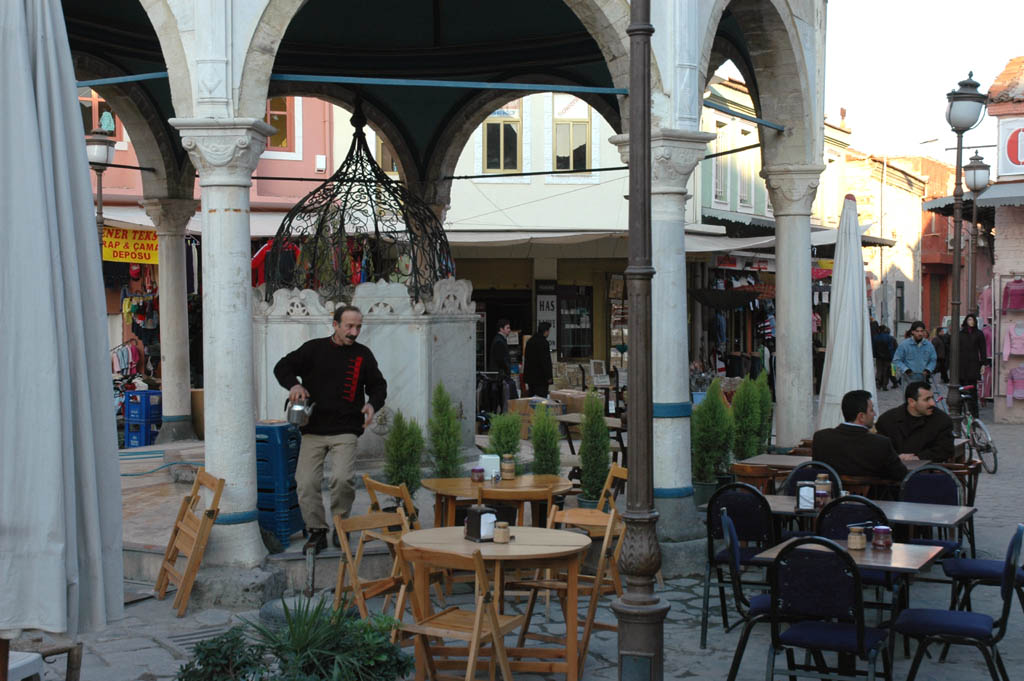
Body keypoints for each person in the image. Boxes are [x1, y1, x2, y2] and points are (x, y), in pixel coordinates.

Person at [274, 305, 387, 554]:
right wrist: (293, 385)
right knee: (305, 482)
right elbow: (282, 367)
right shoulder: (314, 349)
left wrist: (371, 404)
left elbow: (379, 386)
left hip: (346, 428)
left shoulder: (363, 355)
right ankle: (317, 531)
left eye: (358, 326)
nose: (354, 331)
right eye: (349, 326)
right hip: (313, 428)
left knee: (342, 479)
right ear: (334, 325)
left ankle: (341, 524)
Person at [812, 390, 911, 481]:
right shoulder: (881, 443)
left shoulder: (821, 438)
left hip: (833, 496)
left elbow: (816, 470)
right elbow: (901, 475)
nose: (875, 414)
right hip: (872, 498)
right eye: (871, 410)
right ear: (861, 417)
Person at [875, 381, 955, 463]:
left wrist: (918, 458)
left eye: (932, 398)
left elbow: (946, 450)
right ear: (911, 402)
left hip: (928, 471)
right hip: (893, 471)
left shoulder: (942, 420)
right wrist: (896, 457)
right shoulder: (887, 420)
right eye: (927, 399)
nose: (932, 403)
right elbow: (879, 450)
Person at [957, 313, 989, 418]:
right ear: (966, 321)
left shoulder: (979, 333)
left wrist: (983, 364)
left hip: (973, 364)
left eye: (972, 320)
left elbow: (983, 349)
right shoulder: (960, 334)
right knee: (961, 388)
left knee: (972, 389)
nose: (971, 321)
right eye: (969, 319)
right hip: (962, 365)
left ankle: (974, 414)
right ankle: (961, 412)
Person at [892, 321, 936, 386]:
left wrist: (928, 369)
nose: (920, 333)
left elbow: (933, 360)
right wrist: (906, 369)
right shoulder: (904, 345)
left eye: (921, 331)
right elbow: (896, 360)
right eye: (917, 331)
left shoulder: (929, 345)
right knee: (910, 395)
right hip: (907, 380)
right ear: (912, 332)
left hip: (923, 380)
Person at [523, 322, 553, 397]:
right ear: (545, 331)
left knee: (532, 399)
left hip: (530, 377)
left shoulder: (530, 341)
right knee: (541, 400)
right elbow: (546, 361)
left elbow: (526, 358)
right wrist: (549, 377)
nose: (549, 333)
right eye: (548, 331)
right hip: (541, 378)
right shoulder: (544, 343)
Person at [872, 325, 897, 391]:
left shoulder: (875, 337)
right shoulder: (890, 338)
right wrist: (892, 357)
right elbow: (891, 348)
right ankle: (885, 385)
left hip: (878, 357)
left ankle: (878, 381)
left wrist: (874, 355)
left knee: (879, 370)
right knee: (887, 371)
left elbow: (874, 347)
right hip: (888, 357)